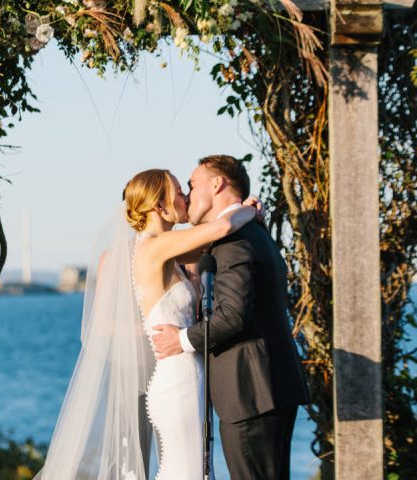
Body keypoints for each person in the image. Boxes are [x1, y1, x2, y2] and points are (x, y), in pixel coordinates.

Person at [33, 167, 261, 480]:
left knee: (190, 470)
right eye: (179, 191)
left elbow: (212, 243)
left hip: (186, 374)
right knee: (185, 472)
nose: (185, 198)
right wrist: (246, 209)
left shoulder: (168, 248)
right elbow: (221, 227)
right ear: (159, 205)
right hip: (176, 377)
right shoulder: (154, 246)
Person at [152, 155, 311, 480]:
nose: (190, 195)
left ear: (217, 184)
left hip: (251, 392)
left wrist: (180, 340)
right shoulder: (252, 232)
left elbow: (234, 315)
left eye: (193, 185)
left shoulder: (234, 241)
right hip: (265, 389)